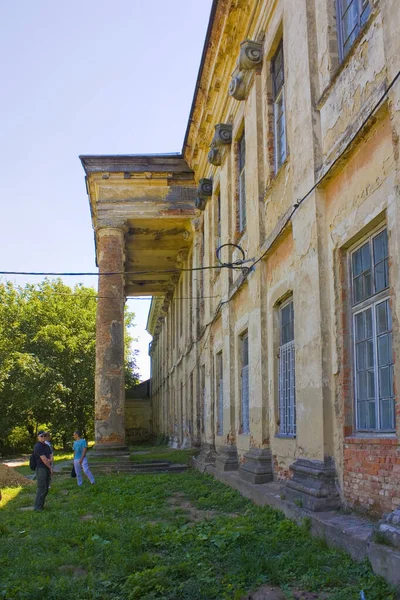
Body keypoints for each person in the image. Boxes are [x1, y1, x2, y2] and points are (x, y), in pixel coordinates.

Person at [33, 430, 53, 511]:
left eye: (44, 436)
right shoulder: (38, 446)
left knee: (46, 488)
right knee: (42, 487)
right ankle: (37, 507)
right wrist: (50, 466)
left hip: (47, 468)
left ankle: (41, 505)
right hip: (41, 469)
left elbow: (52, 458)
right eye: (41, 436)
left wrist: (49, 464)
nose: (43, 437)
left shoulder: (47, 446)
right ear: (38, 437)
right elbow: (44, 460)